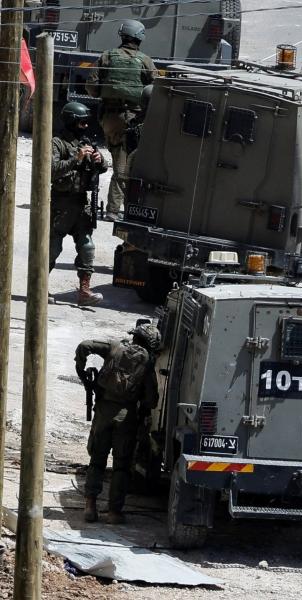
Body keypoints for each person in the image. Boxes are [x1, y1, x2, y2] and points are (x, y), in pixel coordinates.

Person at [76, 322, 161, 524]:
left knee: (97, 460)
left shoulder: (114, 346)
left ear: (135, 336)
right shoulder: (148, 361)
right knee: (121, 466)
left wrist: (81, 371)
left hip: (104, 412)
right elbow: (151, 399)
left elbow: (85, 345)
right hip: (127, 417)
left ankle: (90, 507)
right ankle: (114, 512)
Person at [85, 19, 157, 221]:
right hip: (132, 120)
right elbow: (157, 90)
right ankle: (114, 210)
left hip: (109, 118)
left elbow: (91, 87)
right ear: (140, 38)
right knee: (124, 167)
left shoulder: (107, 56)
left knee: (120, 159)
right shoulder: (145, 61)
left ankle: (122, 207)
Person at [51, 102, 108, 306]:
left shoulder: (85, 142)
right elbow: (52, 169)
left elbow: (102, 168)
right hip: (61, 204)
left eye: (86, 123)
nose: (85, 126)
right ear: (71, 121)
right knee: (52, 248)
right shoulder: (58, 143)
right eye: (81, 123)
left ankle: (84, 291)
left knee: (87, 248)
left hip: (81, 204)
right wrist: (76, 159)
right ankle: (39, 287)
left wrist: (99, 160)